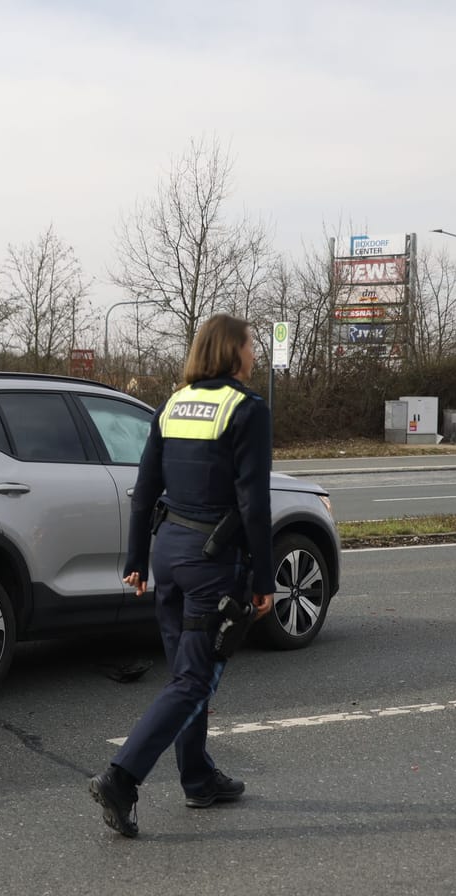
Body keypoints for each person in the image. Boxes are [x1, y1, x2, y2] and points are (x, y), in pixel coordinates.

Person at [90, 314, 274, 838]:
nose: (254, 354)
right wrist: (264, 577)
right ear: (232, 352)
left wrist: (135, 558)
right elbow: (253, 503)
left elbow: (144, 488)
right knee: (195, 679)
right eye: (250, 345)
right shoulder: (247, 408)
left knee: (184, 676)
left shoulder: (174, 403)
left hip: (169, 554)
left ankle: (198, 779)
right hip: (211, 563)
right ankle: (121, 778)